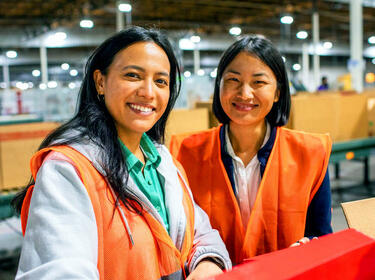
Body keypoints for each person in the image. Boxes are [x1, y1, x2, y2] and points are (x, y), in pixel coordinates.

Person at [12, 26, 231, 279]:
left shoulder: (163, 162)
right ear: (100, 82)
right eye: (133, 76)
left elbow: (200, 233)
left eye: (161, 81)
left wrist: (208, 263)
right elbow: (61, 270)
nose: (148, 92)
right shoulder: (68, 170)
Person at [170, 35, 333, 265]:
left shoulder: (310, 153)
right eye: (233, 80)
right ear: (219, 86)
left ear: (277, 92)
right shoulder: (185, 153)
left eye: (259, 82)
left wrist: (308, 245)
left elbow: (322, 234)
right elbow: (181, 235)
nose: (244, 93)